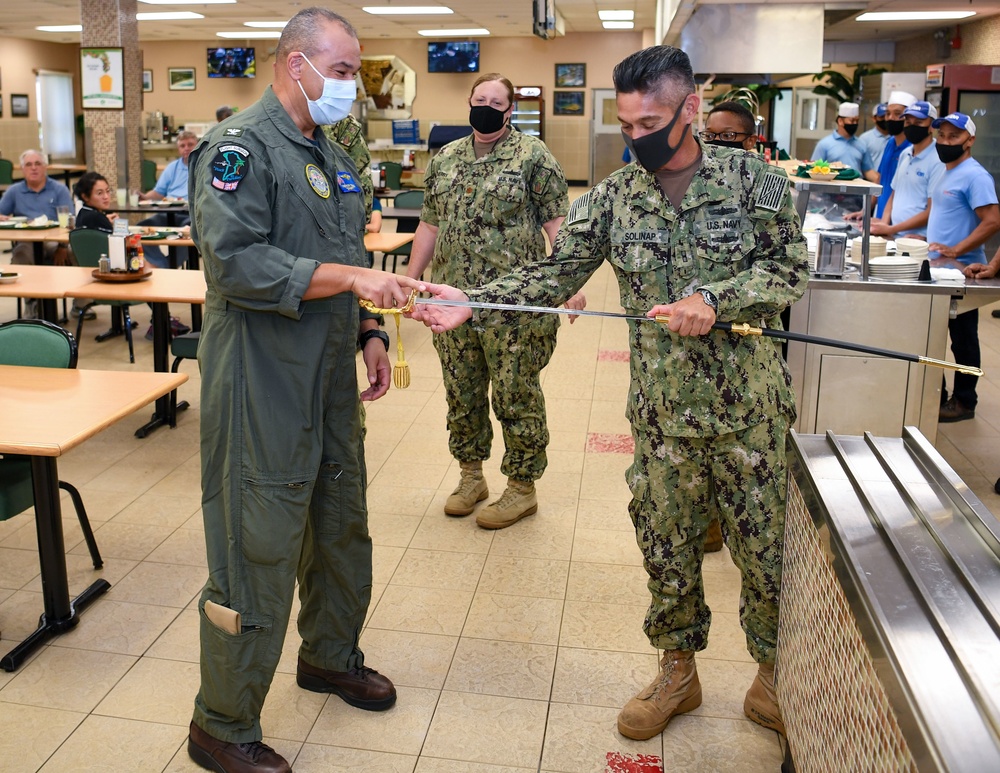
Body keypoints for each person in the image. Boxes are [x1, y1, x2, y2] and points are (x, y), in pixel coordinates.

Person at [409, 45, 808, 741]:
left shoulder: (755, 183)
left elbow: (788, 268)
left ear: (690, 109)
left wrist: (717, 298)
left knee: (765, 551)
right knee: (667, 546)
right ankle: (677, 674)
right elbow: (555, 268)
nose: (637, 137)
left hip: (750, 416)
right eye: (626, 126)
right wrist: (474, 298)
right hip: (660, 419)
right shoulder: (616, 198)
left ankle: (771, 676)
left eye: (650, 121)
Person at [185, 9, 421, 773]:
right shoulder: (239, 150)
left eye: (355, 72)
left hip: (326, 373)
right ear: (297, 64)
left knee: (339, 519)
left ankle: (328, 654)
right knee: (258, 542)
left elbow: (342, 252)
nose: (354, 87)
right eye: (345, 71)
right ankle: (221, 721)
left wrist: (369, 334)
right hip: (262, 378)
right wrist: (355, 279)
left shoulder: (334, 154)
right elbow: (234, 264)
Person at [404, 72, 584, 531]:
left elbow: (555, 220)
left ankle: (522, 487)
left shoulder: (532, 156)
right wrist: (409, 280)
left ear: (510, 110)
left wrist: (569, 279)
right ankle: (471, 478)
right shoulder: (445, 158)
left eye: (496, 101)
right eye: (479, 98)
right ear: (469, 101)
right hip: (450, 297)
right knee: (461, 391)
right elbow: (430, 224)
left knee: (514, 391)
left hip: (512, 304)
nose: (486, 106)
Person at [926, 112, 1000, 423]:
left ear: (969, 141)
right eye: (941, 135)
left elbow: (993, 221)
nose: (945, 142)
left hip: (964, 272)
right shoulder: (943, 171)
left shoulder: (976, 176)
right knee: (932, 335)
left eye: (953, 137)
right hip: (939, 270)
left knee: (964, 341)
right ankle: (937, 396)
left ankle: (965, 402)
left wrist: (957, 249)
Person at [0, 149, 92, 319]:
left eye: (38, 164)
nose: (33, 168)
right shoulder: (14, 191)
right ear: (22, 169)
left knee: (77, 252)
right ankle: (32, 302)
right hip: (27, 240)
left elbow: (69, 220)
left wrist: (63, 246)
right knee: (21, 255)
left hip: (54, 241)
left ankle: (82, 304)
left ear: (45, 167)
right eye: (28, 164)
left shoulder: (58, 189)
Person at [870, 101, 945, 240]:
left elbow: (933, 209)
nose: (912, 127)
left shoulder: (938, 159)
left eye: (918, 122)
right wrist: (884, 223)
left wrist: (892, 228)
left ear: (931, 127)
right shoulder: (905, 154)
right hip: (895, 235)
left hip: (916, 238)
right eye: (908, 122)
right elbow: (894, 193)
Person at [874, 91, 917, 218]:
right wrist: (865, 210)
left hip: (900, 222)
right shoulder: (890, 143)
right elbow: (880, 179)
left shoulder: (912, 149)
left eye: (897, 114)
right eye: (888, 113)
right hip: (881, 216)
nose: (891, 118)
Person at [810, 102, 878, 181]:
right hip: (830, 192)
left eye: (857, 121)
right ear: (840, 121)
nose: (855, 124)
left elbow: (867, 170)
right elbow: (815, 170)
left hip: (856, 191)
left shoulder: (862, 144)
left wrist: (879, 181)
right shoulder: (824, 144)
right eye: (852, 121)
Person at [858, 102, 889, 170]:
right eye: (881, 117)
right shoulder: (865, 139)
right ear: (874, 118)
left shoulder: (896, 138)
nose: (885, 119)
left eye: (887, 116)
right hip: (871, 179)